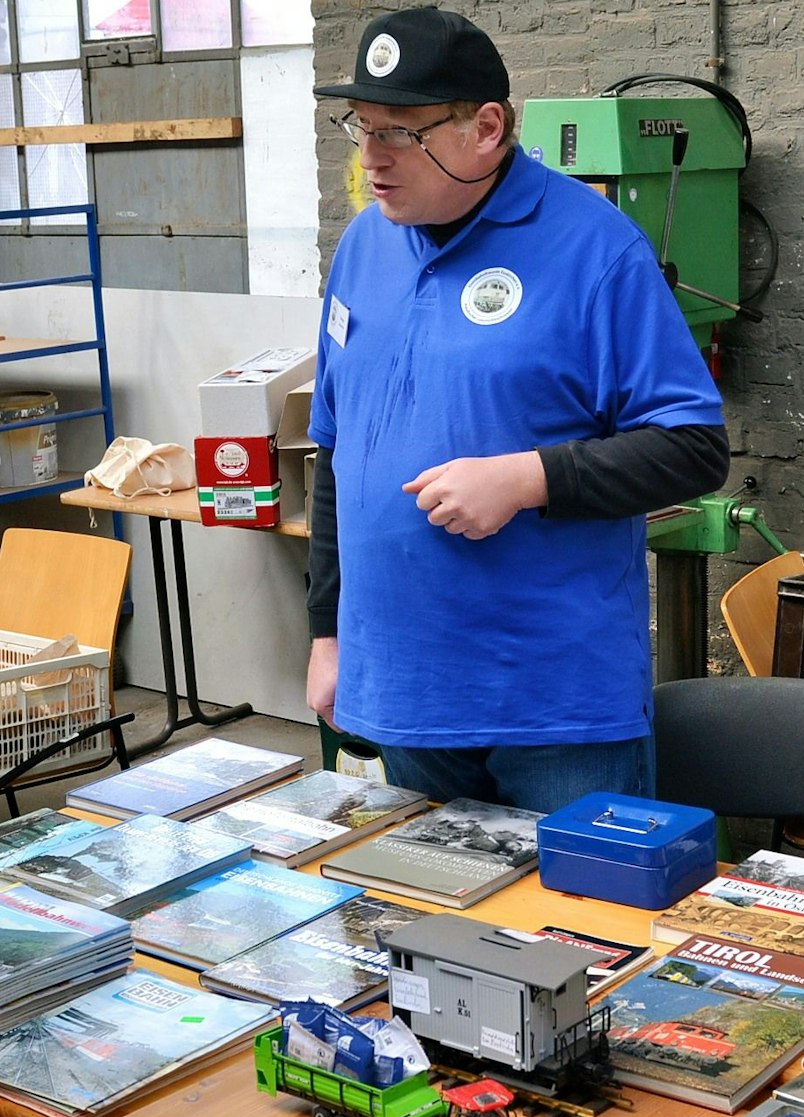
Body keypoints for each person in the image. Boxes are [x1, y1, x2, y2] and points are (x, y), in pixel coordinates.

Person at [306, 8, 730, 813]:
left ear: (487, 128)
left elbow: (693, 447)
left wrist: (527, 478)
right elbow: (333, 452)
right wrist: (328, 635)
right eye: (361, 127)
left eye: (399, 132)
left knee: (576, 900)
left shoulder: (597, 250)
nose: (372, 156)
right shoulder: (362, 246)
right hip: (405, 688)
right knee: (431, 897)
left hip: (554, 705)